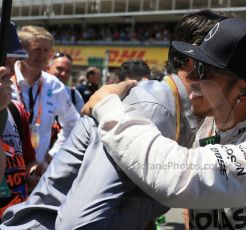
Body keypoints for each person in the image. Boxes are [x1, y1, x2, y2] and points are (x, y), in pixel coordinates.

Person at [1, 9, 227, 229]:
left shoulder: (175, 109)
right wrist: (166, 193)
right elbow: (82, 225)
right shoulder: (154, 109)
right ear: (194, 62)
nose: (238, 86)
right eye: (228, 69)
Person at [83, 18, 246, 229]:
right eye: (193, 66)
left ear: (243, 90)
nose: (192, 78)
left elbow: (174, 178)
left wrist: (107, 108)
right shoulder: (205, 124)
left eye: (205, 71)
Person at [10, 25, 79, 162]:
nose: (42, 56)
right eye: (36, 50)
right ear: (22, 50)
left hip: (38, 173)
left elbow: (73, 123)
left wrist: (54, 153)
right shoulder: (6, 80)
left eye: (46, 50)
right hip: (8, 172)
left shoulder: (54, 85)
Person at [0, 21, 47, 218]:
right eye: (5, 59)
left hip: (16, 218)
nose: (10, 68)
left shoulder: (16, 110)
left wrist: (34, 171)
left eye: (14, 59)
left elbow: (28, 162)